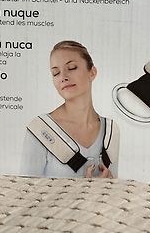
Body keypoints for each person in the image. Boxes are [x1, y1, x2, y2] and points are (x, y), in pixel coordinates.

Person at [21, 40, 119, 178]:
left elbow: (116, 187)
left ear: (92, 72)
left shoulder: (111, 131)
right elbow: (24, 190)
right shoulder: (39, 130)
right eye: (56, 73)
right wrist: (85, 188)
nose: (63, 77)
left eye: (72, 68)